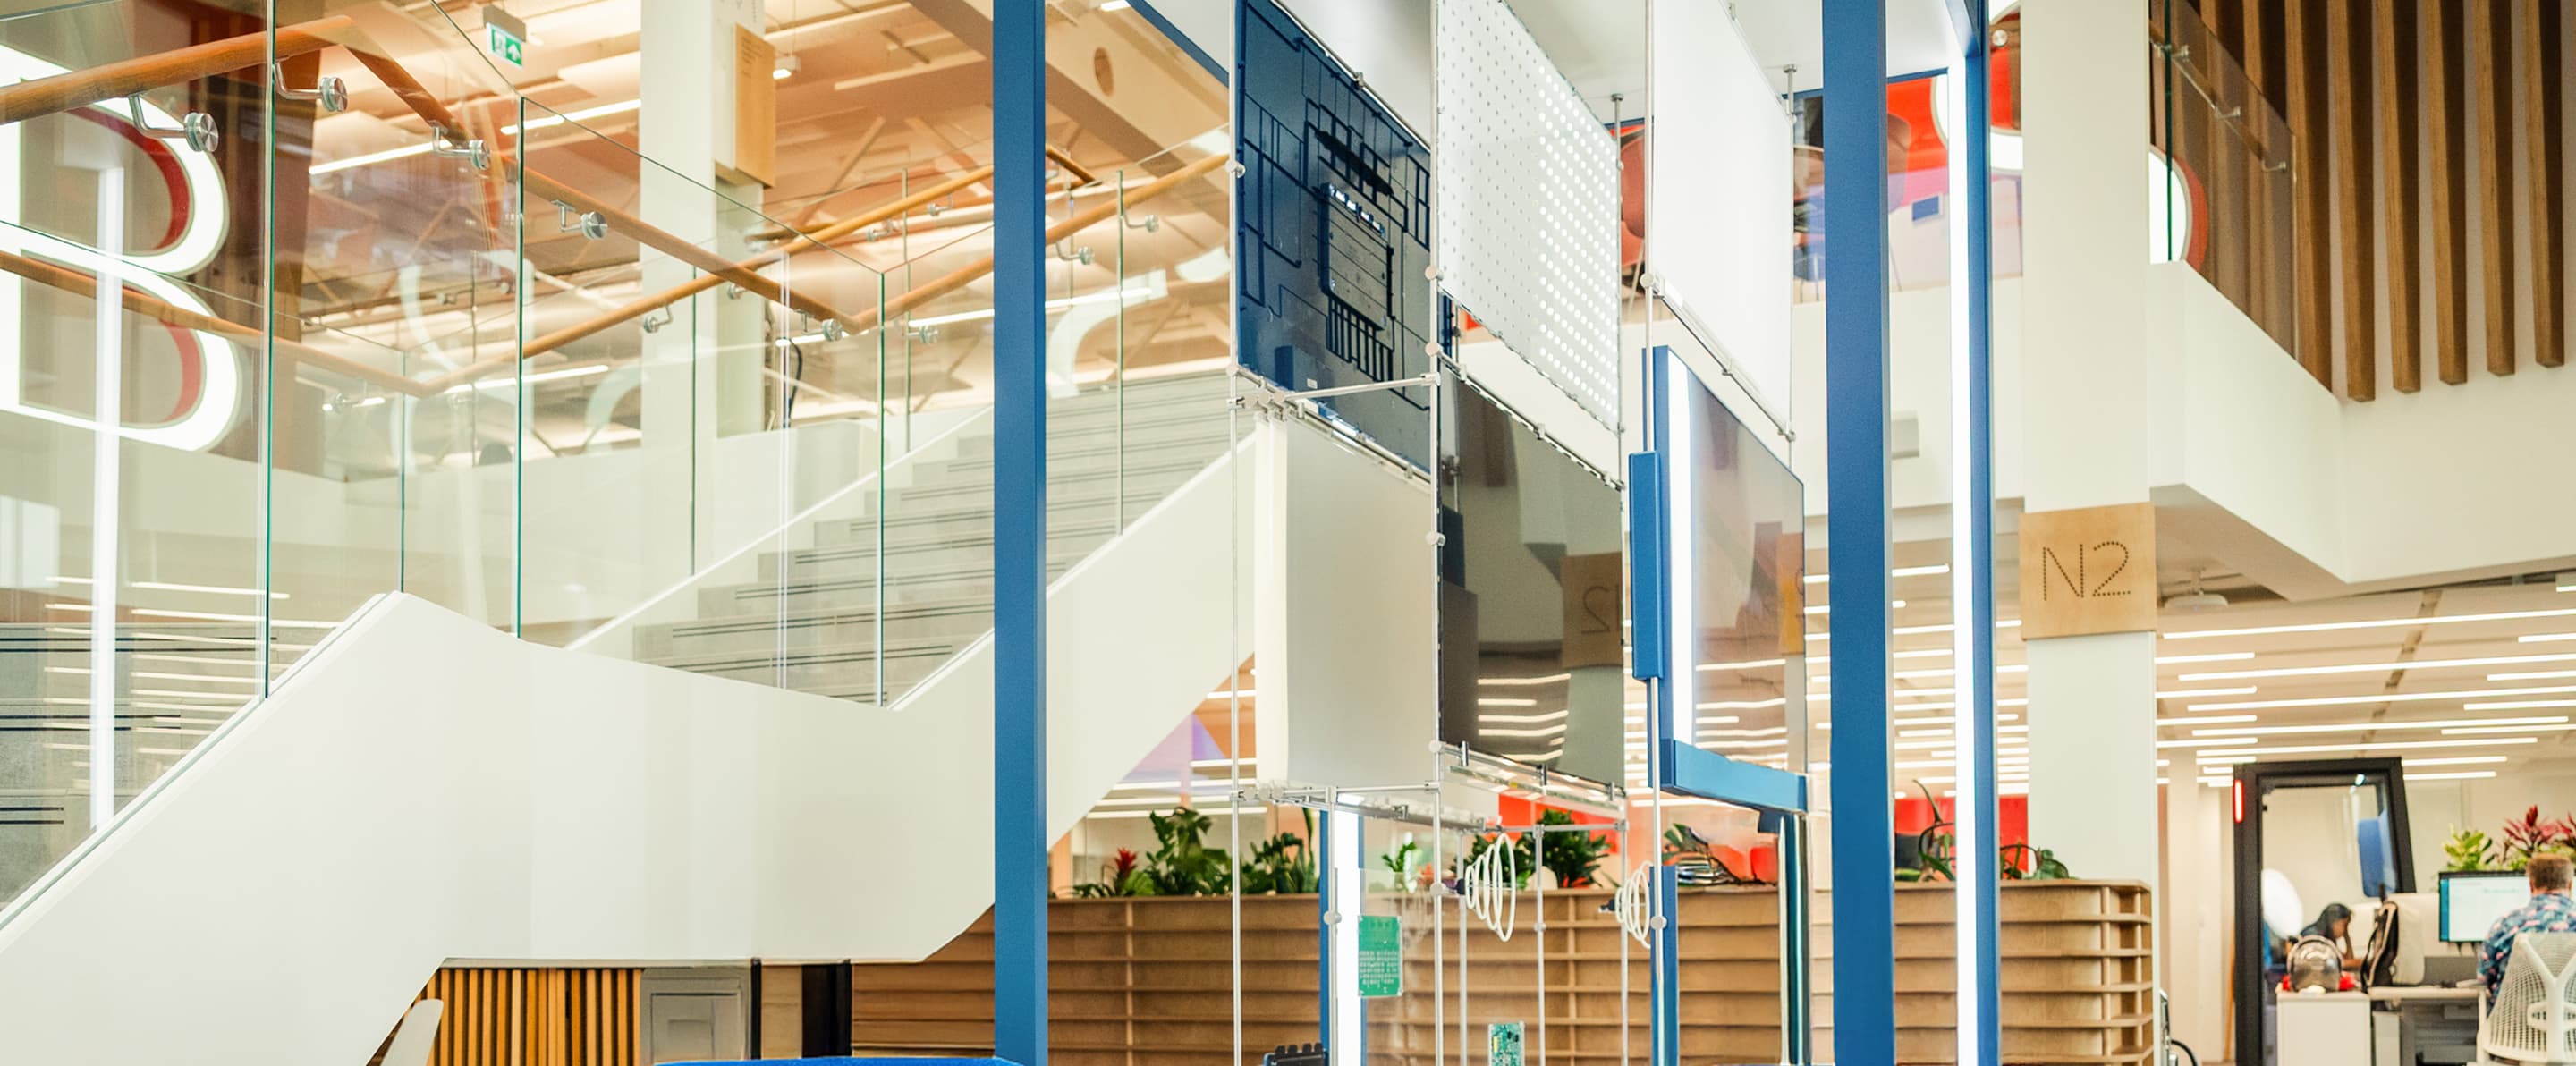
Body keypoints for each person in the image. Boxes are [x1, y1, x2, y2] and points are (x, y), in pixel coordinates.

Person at [2481, 852, 2576, 1004]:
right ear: (2570, 885)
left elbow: (2485, 977)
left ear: (2531, 885)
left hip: (2512, 1024)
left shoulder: (2505, 925)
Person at [2298, 901, 2363, 970]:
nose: (2345, 930)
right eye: (2344, 925)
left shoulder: (2329, 938)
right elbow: (2326, 964)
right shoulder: (2313, 936)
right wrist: (2359, 962)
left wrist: (2347, 936)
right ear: (2334, 922)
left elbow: (2348, 959)